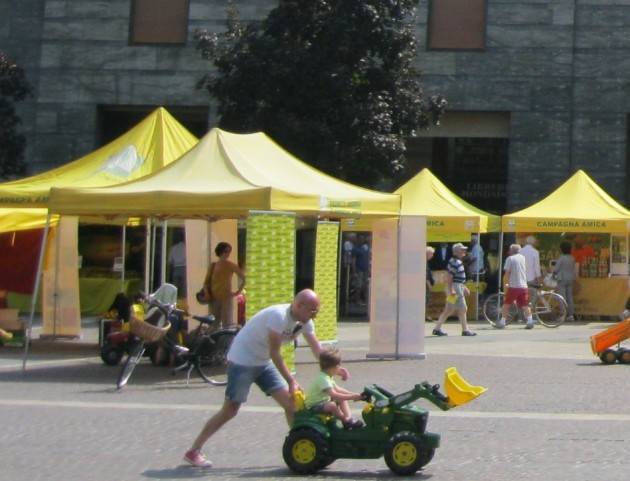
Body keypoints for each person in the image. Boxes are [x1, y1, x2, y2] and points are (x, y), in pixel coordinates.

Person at [182, 289, 349, 468]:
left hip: (262, 362)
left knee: (292, 403)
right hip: (242, 361)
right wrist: (291, 381)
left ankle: (302, 443)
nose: (315, 315)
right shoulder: (278, 317)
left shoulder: (305, 321)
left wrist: (334, 368)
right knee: (230, 410)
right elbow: (275, 353)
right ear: (299, 305)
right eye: (313, 310)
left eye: (317, 310)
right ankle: (194, 451)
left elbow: (317, 350)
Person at [304, 347, 364, 429]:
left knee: (341, 398)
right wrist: (353, 397)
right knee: (332, 405)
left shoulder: (327, 376)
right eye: (338, 365)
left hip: (323, 402)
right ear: (332, 367)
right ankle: (345, 420)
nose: (340, 367)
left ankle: (349, 419)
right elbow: (334, 395)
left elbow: (338, 390)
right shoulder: (323, 379)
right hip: (314, 406)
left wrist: (356, 395)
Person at [432, 243, 476, 337]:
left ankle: (437, 328)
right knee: (462, 308)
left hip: (456, 287)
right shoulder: (455, 261)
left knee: (449, 309)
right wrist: (452, 289)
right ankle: (465, 330)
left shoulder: (456, 261)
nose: (464, 251)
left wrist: (463, 287)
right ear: (457, 252)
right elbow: (449, 277)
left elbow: (455, 277)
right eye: (462, 250)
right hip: (455, 288)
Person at [203, 242, 245, 328]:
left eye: (229, 251)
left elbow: (244, 278)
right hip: (214, 297)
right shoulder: (213, 265)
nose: (228, 253)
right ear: (221, 251)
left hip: (226, 297)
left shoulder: (231, 265)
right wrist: (206, 292)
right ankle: (214, 341)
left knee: (227, 323)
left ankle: (225, 341)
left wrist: (238, 292)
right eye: (226, 251)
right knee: (213, 323)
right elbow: (206, 282)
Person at [498, 244, 535, 329]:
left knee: (506, 304)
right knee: (525, 305)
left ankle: (502, 322)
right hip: (523, 286)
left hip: (514, 286)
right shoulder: (522, 258)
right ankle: (530, 321)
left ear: (511, 251)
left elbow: (507, 273)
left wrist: (506, 283)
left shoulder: (510, 259)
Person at [554, 241, 577, 321]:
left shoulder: (561, 258)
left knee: (562, 297)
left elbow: (556, 269)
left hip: (562, 278)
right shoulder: (572, 258)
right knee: (570, 297)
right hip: (570, 278)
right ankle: (571, 315)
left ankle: (563, 315)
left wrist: (553, 273)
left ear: (561, 249)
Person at [167, 231, 186, 296]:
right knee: (184, 287)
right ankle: (183, 300)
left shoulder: (173, 248)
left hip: (176, 268)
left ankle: (174, 300)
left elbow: (170, 261)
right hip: (184, 268)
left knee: (175, 287)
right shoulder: (186, 248)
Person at [426, 246, 435, 320]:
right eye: (431, 254)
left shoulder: (426, 262)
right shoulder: (424, 262)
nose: (432, 256)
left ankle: (426, 315)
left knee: (427, 300)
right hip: (425, 286)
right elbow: (426, 276)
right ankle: (425, 316)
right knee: (426, 300)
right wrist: (429, 285)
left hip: (426, 285)